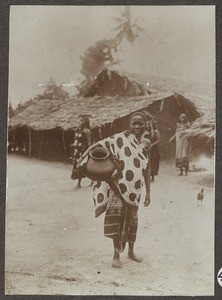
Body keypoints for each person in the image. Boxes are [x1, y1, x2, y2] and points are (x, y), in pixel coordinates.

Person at [77, 112, 151, 268]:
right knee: (116, 219)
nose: (137, 126)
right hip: (118, 187)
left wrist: (149, 192)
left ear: (145, 124)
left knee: (132, 221)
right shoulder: (120, 139)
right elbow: (99, 145)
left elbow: (147, 167)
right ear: (129, 125)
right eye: (134, 123)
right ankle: (116, 255)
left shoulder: (146, 144)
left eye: (140, 123)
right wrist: (83, 156)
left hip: (135, 190)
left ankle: (130, 252)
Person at [71, 115, 92, 189]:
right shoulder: (78, 130)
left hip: (83, 152)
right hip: (77, 151)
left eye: (82, 120)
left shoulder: (87, 131)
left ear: (85, 122)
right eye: (79, 120)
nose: (80, 122)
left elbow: (89, 142)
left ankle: (79, 183)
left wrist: (89, 151)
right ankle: (80, 182)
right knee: (77, 165)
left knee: (81, 165)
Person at [143, 116, 160, 182]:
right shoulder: (145, 132)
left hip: (153, 150)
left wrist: (152, 145)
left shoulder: (155, 131)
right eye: (146, 124)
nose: (147, 126)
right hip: (146, 149)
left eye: (148, 124)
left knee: (153, 162)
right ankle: (147, 176)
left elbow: (158, 140)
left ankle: (152, 177)